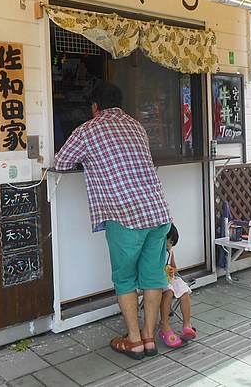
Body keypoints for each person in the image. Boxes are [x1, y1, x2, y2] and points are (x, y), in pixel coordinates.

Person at [55, 82, 171, 360]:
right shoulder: (135, 125)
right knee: (154, 277)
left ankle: (133, 341)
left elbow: (60, 162)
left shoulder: (87, 130)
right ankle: (149, 338)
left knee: (125, 278)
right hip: (158, 211)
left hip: (125, 215)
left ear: (94, 106)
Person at [158, 224, 197, 348]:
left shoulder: (170, 252)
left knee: (184, 292)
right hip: (158, 280)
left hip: (170, 278)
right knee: (168, 292)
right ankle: (165, 324)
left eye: (172, 243)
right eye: (168, 241)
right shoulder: (154, 251)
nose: (169, 245)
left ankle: (187, 325)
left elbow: (174, 267)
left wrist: (172, 270)